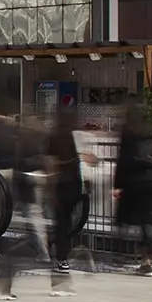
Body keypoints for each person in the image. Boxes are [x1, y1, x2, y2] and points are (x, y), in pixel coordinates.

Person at [0, 120, 72, 300]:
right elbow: (40, 169)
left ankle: (2, 285)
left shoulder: (19, 147)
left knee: (32, 241)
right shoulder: (31, 151)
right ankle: (55, 279)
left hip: (22, 201)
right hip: (27, 200)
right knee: (38, 241)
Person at [115, 102, 152, 276]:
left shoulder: (128, 132)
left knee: (123, 218)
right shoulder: (149, 131)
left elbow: (123, 159)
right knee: (147, 223)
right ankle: (146, 260)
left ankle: (120, 254)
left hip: (135, 181)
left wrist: (117, 184)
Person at [45, 113, 87, 273]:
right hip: (74, 184)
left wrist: (51, 189)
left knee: (61, 223)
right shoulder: (73, 137)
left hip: (61, 185)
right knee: (67, 222)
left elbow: (51, 165)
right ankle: (63, 255)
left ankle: (62, 258)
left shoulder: (54, 137)